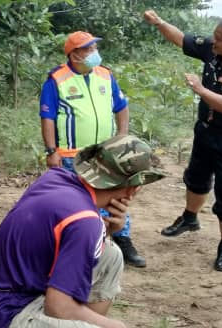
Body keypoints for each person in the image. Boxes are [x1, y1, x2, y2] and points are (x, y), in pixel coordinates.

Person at [0, 135, 166, 328]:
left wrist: (107, 231)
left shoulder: (57, 178)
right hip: (6, 312)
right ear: (133, 188)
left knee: (111, 255)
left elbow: (66, 239)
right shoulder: (85, 221)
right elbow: (58, 306)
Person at [142, 10, 222, 271]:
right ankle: (189, 218)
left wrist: (200, 89)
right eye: (214, 35)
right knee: (196, 177)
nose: (213, 40)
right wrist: (160, 22)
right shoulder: (213, 50)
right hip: (206, 131)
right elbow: (182, 40)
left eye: (219, 38)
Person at [40, 31, 146, 268]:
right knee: (80, 199)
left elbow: (121, 106)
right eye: (88, 49)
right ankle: (84, 243)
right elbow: (47, 117)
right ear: (75, 54)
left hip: (106, 153)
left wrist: (122, 136)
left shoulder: (105, 75)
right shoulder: (57, 79)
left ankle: (122, 239)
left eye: (94, 47)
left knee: (117, 193)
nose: (94, 53)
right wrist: (51, 151)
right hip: (72, 155)